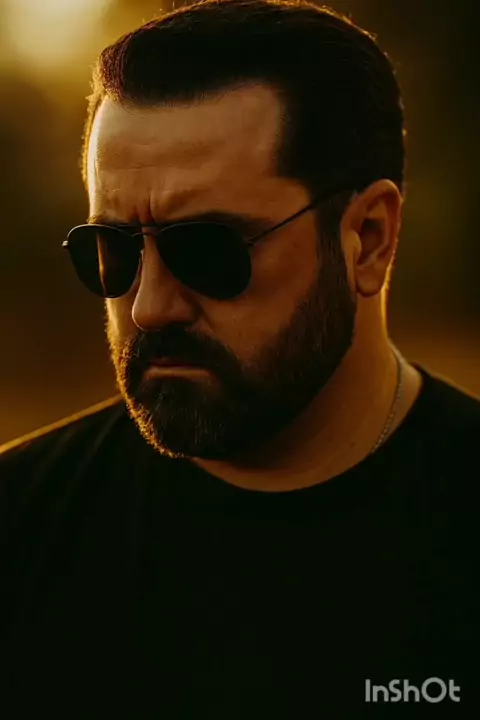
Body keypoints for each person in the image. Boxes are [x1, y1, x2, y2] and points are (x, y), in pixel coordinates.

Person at [1, 0, 477, 716]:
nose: (150, 307)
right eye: (113, 250)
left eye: (208, 249)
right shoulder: (19, 529)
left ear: (369, 239)